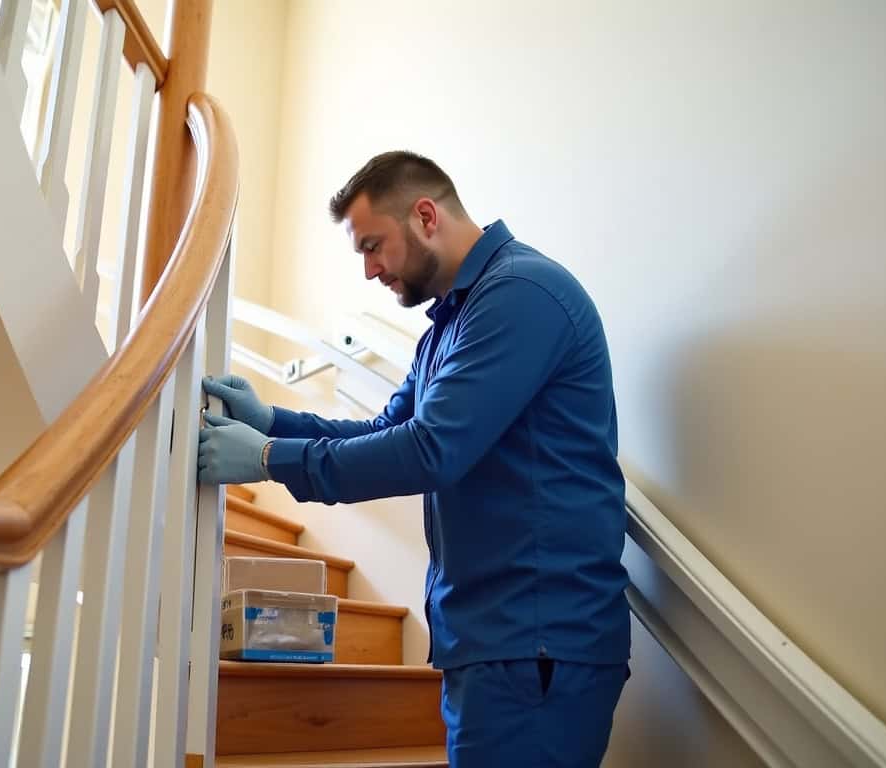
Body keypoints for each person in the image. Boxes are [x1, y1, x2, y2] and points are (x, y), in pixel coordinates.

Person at [198, 151, 630, 767]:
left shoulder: (520, 296)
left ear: (425, 215)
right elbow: (385, 430)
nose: (371, 270)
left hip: (536, 643)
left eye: (375, 246)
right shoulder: (449, 326)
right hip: (493, 644)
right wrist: (271, 421)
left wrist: (268, 457)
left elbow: (429, 451)